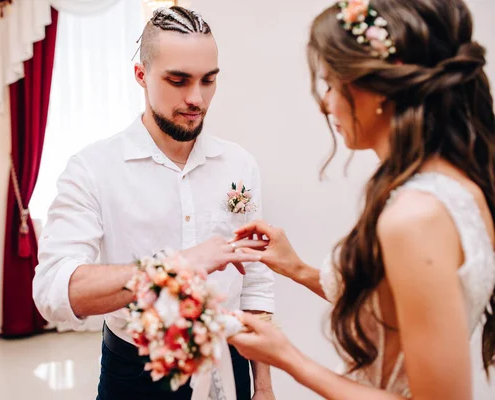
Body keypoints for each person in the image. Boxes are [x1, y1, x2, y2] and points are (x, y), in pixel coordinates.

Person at [226, 0, 495, 398]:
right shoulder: (460, 184)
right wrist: (297, 269)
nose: (325, 103)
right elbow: (393, 311)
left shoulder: (415, 217)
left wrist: (289, 358)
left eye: (332, 84)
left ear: (375, 87)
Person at [32, 6, 276, 400]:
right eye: (178, 80)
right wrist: (173, 268)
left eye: (208, 80)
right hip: (135, 371)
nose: (196, 98)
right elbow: (54, 293)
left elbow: (256, 283)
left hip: (229, 365)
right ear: (141, 76)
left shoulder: (239, 164)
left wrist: (263, 385)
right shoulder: (92, 169)